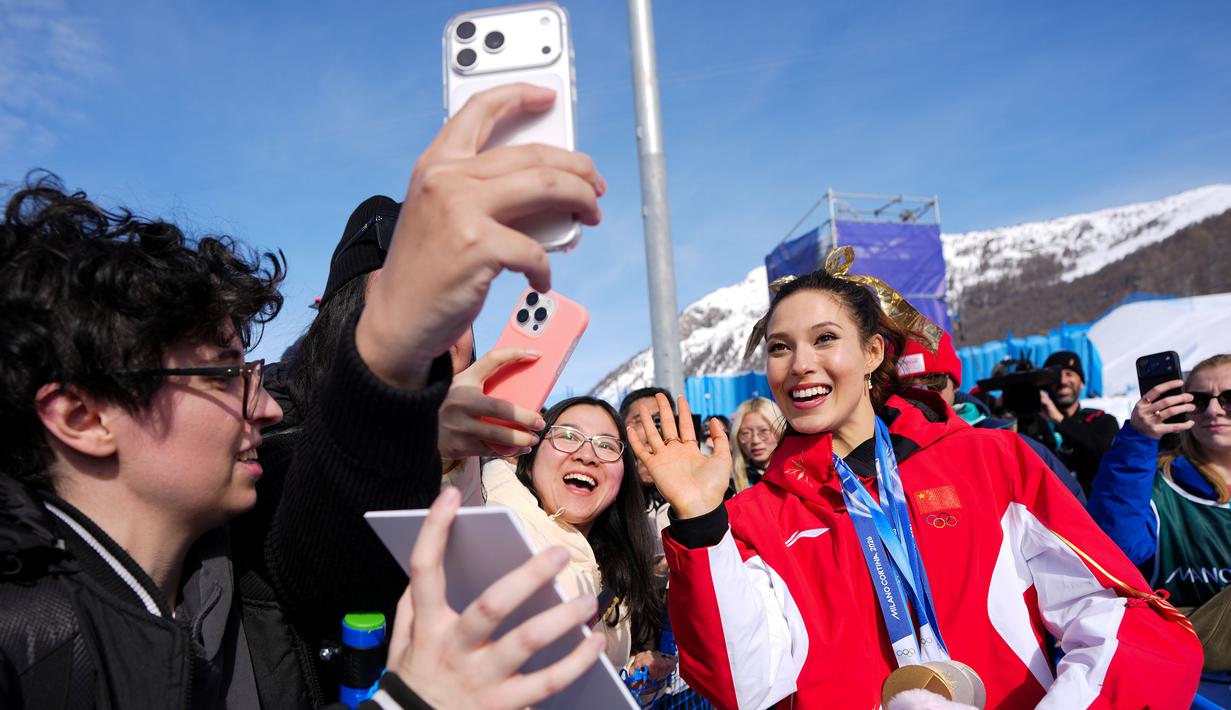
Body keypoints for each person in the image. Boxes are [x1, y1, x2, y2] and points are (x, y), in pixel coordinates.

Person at [0, 82, 607, 707]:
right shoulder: (26, 650)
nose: (263, 409)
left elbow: (337, 571)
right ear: (82, 416)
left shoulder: (225, 575)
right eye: (225, 375)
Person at [628, 247, 1202, 709]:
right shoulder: (753, 519)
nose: (800, 363)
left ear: (873, 352)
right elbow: (746, 688)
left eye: (825, 338)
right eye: (780, 348)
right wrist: (700, 523)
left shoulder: (991, 461)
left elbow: (1114, 619)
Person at [482, 396, 664, 673]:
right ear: (530, 458)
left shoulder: (615, 562)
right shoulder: (494, 525)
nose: (586, 455)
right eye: (567, 436)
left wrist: (629, 673)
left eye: (606, 445)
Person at [1089, 355, 1231, 667]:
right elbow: (1115, 552)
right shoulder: (1156, 486)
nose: (1214, 410)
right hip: (1193, 677)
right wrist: (1139, 440)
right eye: (1199, 400)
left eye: (1229, 398)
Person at [896, 329, 1086, 504]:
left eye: (933, 382)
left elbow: (1073, 505)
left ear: (954, 384)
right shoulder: (886, 452)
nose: (922, 394)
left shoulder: (1003, 441)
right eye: (908, 388)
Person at [1033, 350, 1119, 494]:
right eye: (1056, 376)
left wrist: (1060, 420)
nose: (1063, 381)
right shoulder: (1035, 425)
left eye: (1069, 374)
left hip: (1091, 504)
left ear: (1082, 383)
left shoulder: (1102, 421)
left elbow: (1106, 454)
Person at [730, 397, 783, 490]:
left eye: (764, 431)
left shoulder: (799, 477)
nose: (755, 440)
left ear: (779, 432)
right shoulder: (729, 487)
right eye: (746, 433)